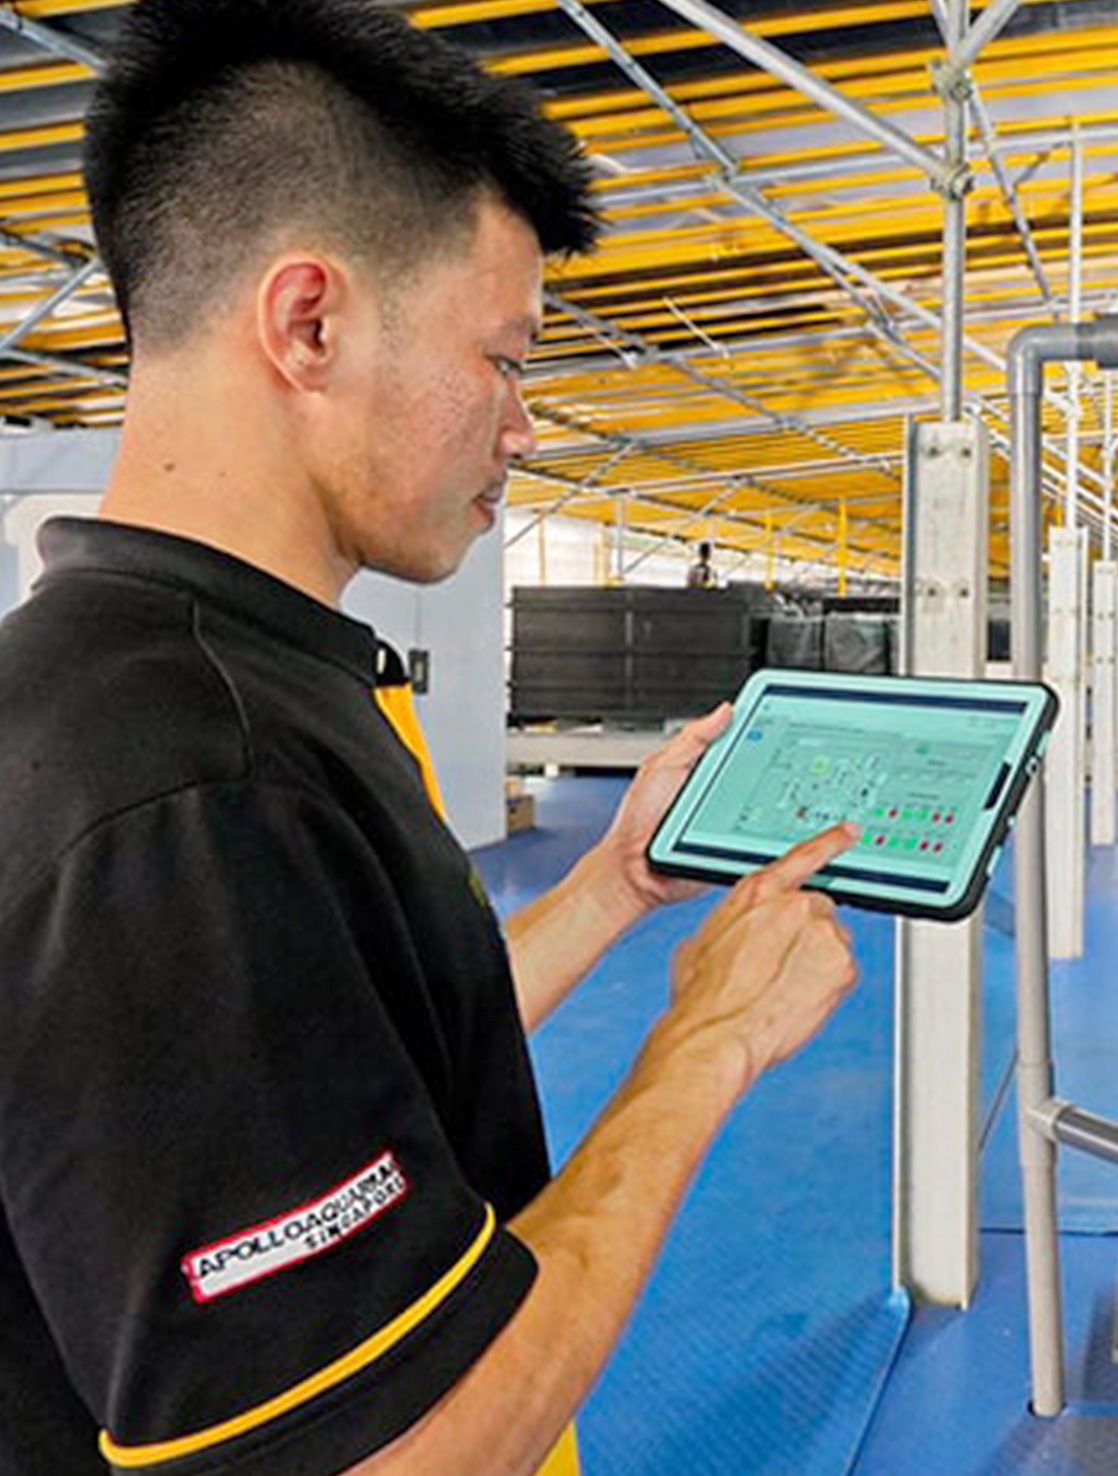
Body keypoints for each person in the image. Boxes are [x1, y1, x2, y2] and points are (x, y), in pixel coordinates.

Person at [0, 3, 858, 1474]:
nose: (523, 424)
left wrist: (611, 889)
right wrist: (706, 1044)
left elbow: (343, 1056)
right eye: (505, 355)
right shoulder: (192, 785)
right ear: (310, 322)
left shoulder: (188, 676)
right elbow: (391, 1454)